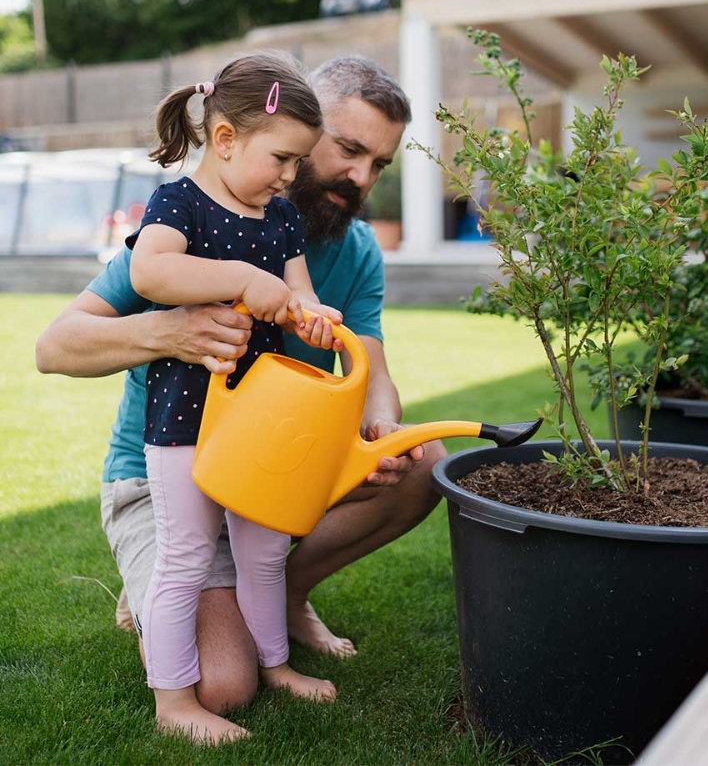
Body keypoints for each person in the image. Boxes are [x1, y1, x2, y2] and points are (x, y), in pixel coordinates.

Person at [35, 55, 446, 725]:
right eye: (347, 150)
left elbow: (371, 366)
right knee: (224, 684)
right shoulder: (190, 220)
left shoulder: (351, 247)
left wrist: (379, 433)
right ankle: (163, 594)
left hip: (267, 464)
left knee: (423, 464)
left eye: (380, 165)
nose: (361, 178)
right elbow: (54, 347)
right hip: (170, 464)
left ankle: (281, 598)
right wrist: (171, 333)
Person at [127, 51, 349, 743]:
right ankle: (174, 703)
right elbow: (151, 271)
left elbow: (298, 289)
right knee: (186, 557)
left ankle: (275, 662)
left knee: (262, 553)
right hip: (185, 425)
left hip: (259, 421)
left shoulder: (279, 218)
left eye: (296, 163)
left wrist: (311, 313)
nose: (290, 177)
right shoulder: (179, 204)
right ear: (225, 140)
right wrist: (235, 279)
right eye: (282, 159)